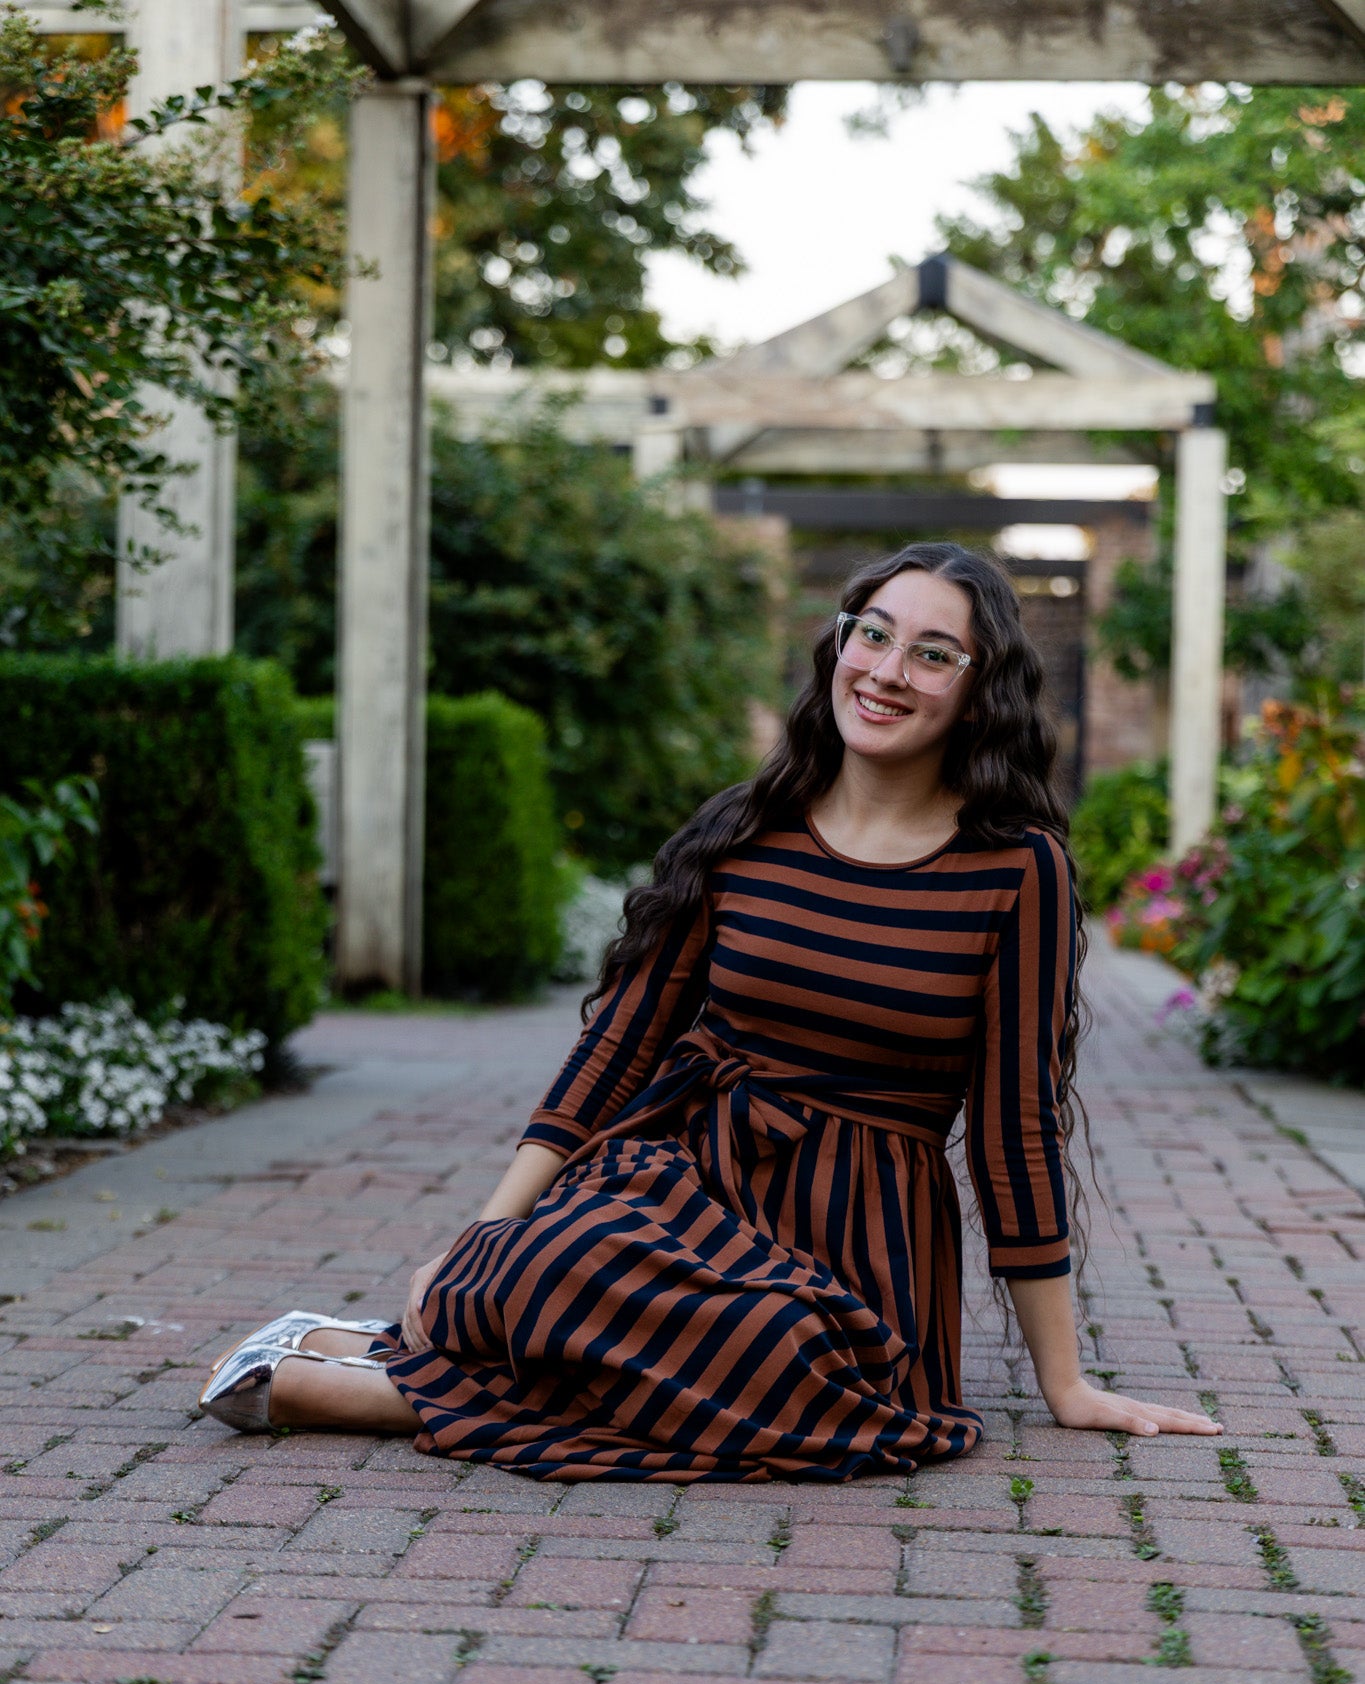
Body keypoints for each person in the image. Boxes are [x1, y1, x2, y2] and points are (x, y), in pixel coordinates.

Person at [200, 541, 1222, 1477]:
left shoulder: (1016, 867)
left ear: (977, 690)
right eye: (874, 633)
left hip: (863, 1233)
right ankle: (421, 1330)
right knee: (578, 1266)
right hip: (687, 1178)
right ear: (839, 644)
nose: (888, 670)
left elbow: (1015, 1128)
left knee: (800, 1369)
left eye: (933, 654)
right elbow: (620, 1046)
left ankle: (375, 1379)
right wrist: (483, 1236)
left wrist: (1066, 1382)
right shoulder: (746, 829)